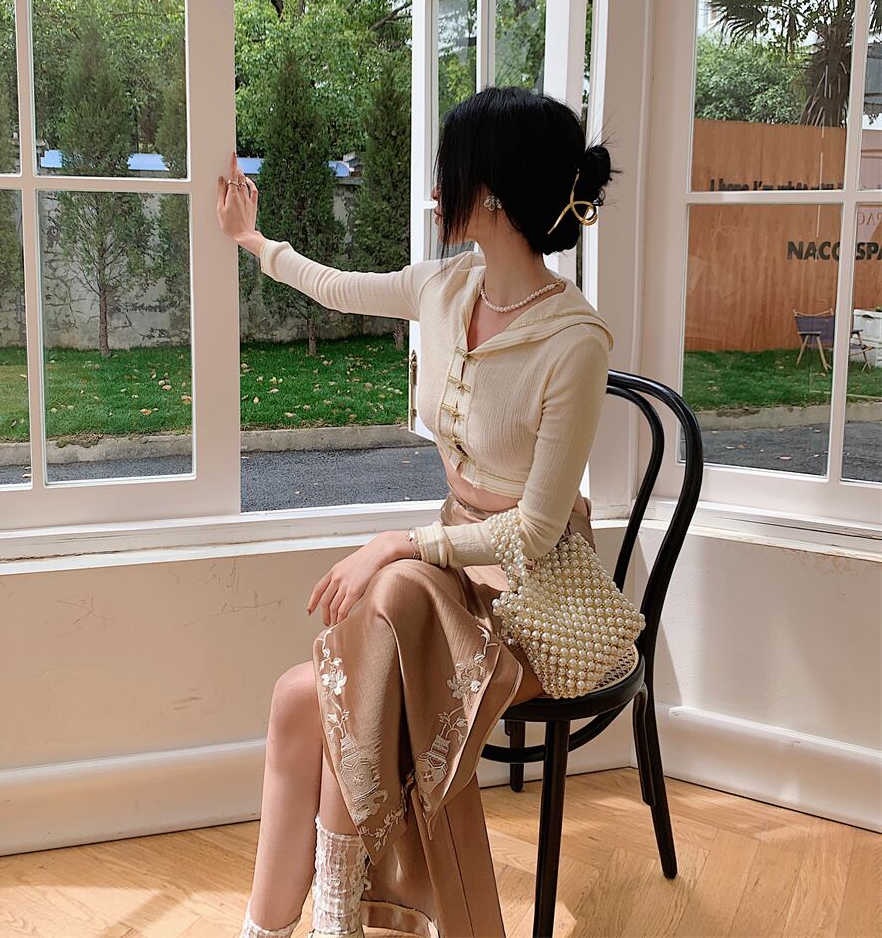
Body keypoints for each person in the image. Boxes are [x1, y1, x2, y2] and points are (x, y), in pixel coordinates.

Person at [217, 85, 621, 938]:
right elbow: (337, 286)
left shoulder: (574, 342)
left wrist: (399, 542)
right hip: (448, 566)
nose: (436, 192)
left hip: (534, 594)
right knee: (300, 700)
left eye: (451, 173)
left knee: (391, 593)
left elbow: (534, 532)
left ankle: (335, 917)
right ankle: (286, 926)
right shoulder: (446, 286)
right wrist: (253, 242)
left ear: (493, 196)